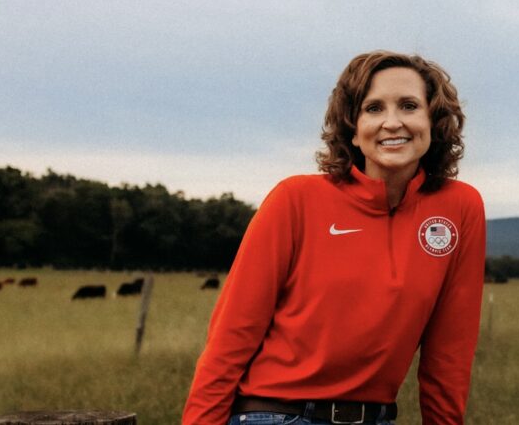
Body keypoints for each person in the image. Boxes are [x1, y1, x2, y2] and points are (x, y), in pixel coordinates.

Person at [182, 50, 486, 425]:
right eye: (374, 109)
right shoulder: (295, 199)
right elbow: (230, 339)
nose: (392, 122)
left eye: (409, 105)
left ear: (433, 121)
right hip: (275, 415)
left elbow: (449, 354)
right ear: (353, 130)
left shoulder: (460, 207)